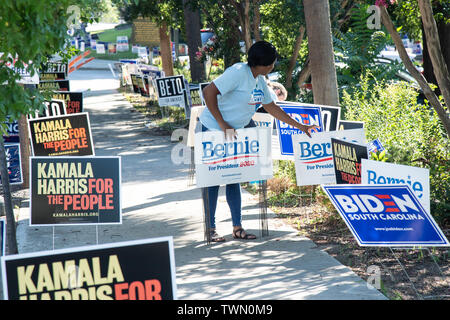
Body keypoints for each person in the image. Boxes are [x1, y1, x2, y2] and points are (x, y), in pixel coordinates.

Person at [200, 41, 318, 242]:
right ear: (265, 64)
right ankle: (210, 229)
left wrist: (300, 126)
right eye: (272, 62)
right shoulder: (238, 72)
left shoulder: (260, 80)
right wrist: (222, 124)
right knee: (213, 181)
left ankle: (237, 227)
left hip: (235, 132)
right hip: (214, 127)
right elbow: (208, 92)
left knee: (234, 178)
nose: (273, 65)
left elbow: (271, 107)